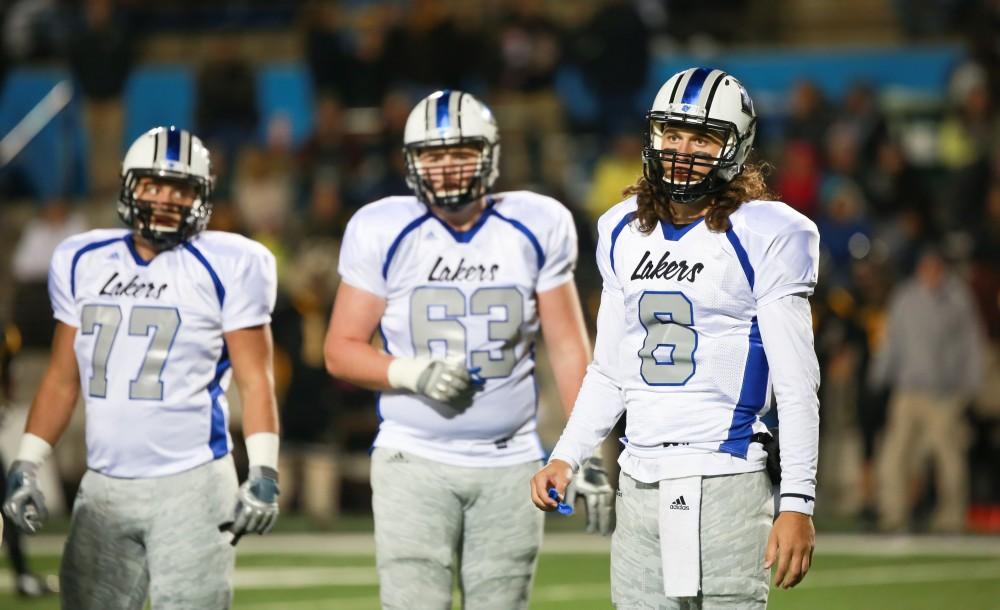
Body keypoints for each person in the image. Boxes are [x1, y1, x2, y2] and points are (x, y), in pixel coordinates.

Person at [530, 67, 821, 608]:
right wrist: (567, 454)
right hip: (637, 479)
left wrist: (797, 501)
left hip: (725, 476)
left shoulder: (769, 232)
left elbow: (798, 384)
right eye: (673, 133)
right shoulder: (621, 229)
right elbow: (611, 370)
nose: (682, 149)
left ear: (734, 148)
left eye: (703, 137)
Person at [324, 90, 608, 610]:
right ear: (411, 161)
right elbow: (340, 350)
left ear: (490, 154)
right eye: (434, 154)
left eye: (462, 152)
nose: (448, 167)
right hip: (414, 456)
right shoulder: (382, 227)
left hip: (511, 461)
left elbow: (568, 347)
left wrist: (580, 452)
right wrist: (410, 372)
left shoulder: (536, 223)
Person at [2, 126, 281, 609]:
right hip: (104, 484)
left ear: (202, 194)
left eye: (182, 187)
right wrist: (27, 462)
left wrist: (264, 472)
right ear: (130, 186)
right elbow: (62, 378)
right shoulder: (81, 258)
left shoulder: (232, 262)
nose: (168, 197)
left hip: (192, 482)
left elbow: (257, 381)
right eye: (154, 184)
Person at [871, 246, 984, 533]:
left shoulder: (957, 299)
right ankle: (892, 513)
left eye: (935, 267)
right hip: (907, 391)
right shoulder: (906, 297)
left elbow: (972, 344)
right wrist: (879, 376)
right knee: (895, 455)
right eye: (926, 266)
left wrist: (970, 386)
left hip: (942, 394)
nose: (930, 272)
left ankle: (951, 516)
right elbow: (891, 339)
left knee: (948, 457)